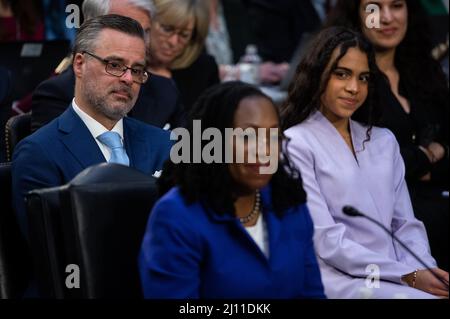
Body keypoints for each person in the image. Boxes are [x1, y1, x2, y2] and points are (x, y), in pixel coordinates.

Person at [282, 27, 449, 298]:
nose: (353, 88)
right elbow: (326, 242)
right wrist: (408, 276)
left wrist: (425, 270)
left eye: (364, 78)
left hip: (400, 274)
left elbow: (406, 225)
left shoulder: (384, 140)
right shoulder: (295, 143)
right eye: (342, 74)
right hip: (341, 278)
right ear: (317, 73)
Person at [138, 82, 325, 298]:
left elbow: (312, 293)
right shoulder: (176, 216)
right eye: (248, 136)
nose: (264, 150)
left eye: (273, 136)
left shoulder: (289, 204)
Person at [12, 14, 173, 238]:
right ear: (80, 64)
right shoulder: (39, 153)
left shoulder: (164, 143)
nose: (128, 79)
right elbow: (50, 252)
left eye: (136, 70)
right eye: (114, 65)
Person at [326, 0, 449, 271]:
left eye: (396, 5)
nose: (386, 17)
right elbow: (364, 166)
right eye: (373, 7)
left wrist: (424, 159)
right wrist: (429, 155)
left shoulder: (424, 68)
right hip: (390, 228)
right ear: (355, 15)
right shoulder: (349, 82)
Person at [31, 0, 185, 133]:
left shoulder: (164, 91)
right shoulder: (56, 94)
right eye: (125, 30)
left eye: (145, 32)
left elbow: (185, 160)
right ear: (92, 30)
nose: (139, 42)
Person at [147, 0, 220, 112]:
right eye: (167, 29)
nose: (173, 42)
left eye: (184, 35)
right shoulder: (128, 65)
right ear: (148, 21)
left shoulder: (204, 69)